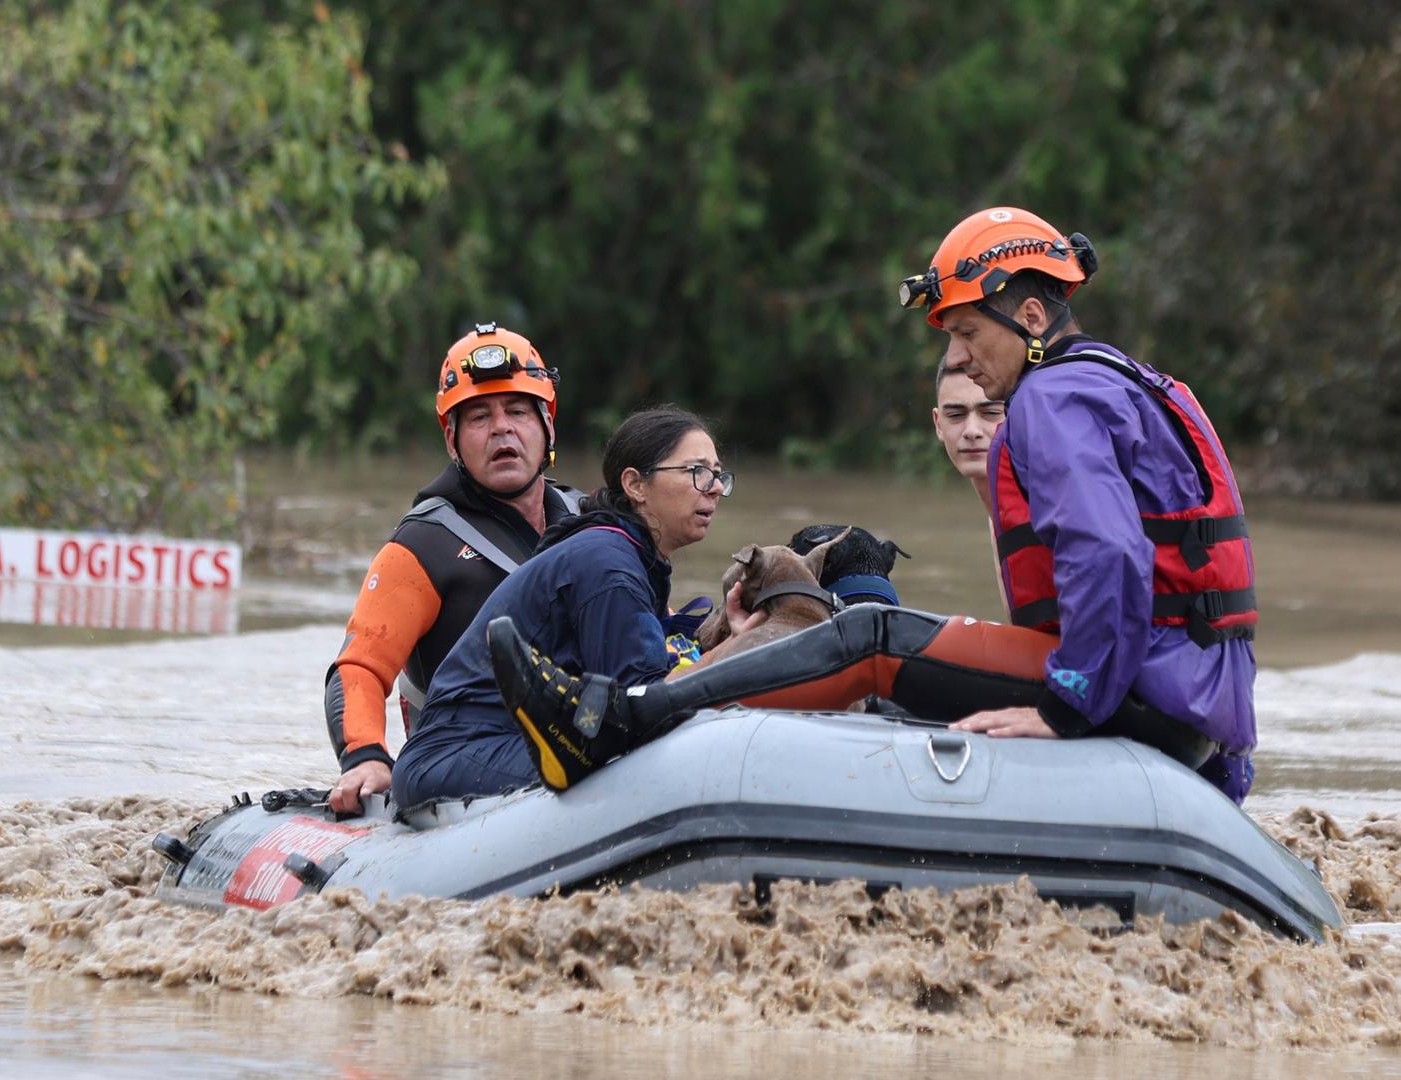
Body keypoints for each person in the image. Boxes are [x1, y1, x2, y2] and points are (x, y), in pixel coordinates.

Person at [493, 207, 1258, 803]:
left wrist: (1067, 708)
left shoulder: (1052, 397)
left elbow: (1110, 555)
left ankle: (615, 723)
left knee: (870, 633)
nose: (954, 358)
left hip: (1137, 689)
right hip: (1195, 705)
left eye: (964, 332)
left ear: (1030, 319)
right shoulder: (1137, 385)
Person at [392, 407, 753, 803]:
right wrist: (736, 653)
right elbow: (644, 705)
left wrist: (727, 641)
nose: (715, 487)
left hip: (498, 745)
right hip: (455, 755)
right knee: (635, 762)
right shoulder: (609, 563)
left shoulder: (629, 555)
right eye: (697, 472)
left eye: (718, 475)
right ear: (635, 484)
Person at [321, 323, 582, 813]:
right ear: (452, 439)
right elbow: (359, 668)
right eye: (479, 416)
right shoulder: (422, 546)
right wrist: (365, 756)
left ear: (548, 424)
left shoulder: (592, 521)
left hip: (583, 743)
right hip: (463, 771)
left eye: (519, 411)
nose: (502, 428)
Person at [932, 353, 1006, 512]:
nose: (972, 431)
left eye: (991, 413)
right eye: (956, 415)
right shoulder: (1000, 518)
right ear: (938, 425)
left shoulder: (1048, 515)